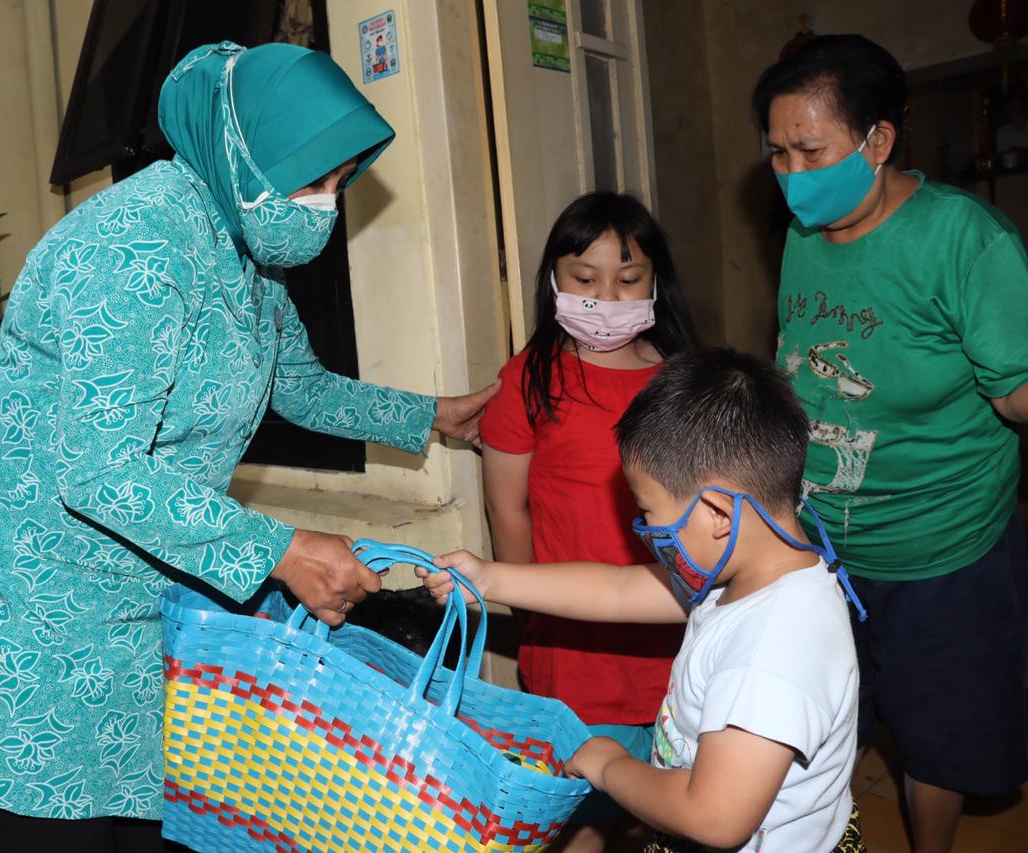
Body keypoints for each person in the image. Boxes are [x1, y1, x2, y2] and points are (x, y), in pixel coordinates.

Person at [0, 41, 498, 850]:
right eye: (313, 181)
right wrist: (285, 548)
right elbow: (102, 470)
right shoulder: (133, 249)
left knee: (148, 820)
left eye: (340, 183)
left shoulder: (246, 242)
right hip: (18, 607)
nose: (327, 205)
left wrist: (430, 414)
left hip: (123, 598)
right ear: (243, 155)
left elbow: (298, 383)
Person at [754, 34, 1028, 853]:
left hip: (945, 551)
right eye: (777, 155)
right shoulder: (805, 237)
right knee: (824, 717)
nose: (794, 175)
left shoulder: (964, 242)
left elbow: (1015, 386)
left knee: (937, 732)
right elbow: (799, 365)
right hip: (824, 546)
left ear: (878, 139)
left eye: (812, 150)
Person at [423, 349, 868, 852]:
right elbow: (616, 590)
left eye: (648, 511)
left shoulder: (773, 648)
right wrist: (492, 579)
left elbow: (715, 817)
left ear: (719, 513)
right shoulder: (747, 565)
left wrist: (612, 766)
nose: (647, 531)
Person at [478, 191, 697, 851]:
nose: (606, 296)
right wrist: (530, 607)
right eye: (585, 279)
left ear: (656, 283)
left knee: (676, 792)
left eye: (628, 280)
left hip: (672, 629)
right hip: (571, 639)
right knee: (577, 808)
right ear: (554, 281)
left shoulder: (683, 379)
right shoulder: (527, 379)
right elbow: (506, 507)